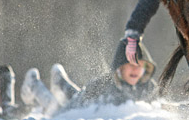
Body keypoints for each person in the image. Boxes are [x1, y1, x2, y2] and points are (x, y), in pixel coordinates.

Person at [20, 44, 157, 115]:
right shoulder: (105, 85)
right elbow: (73, 109)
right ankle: (33, 83)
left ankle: (59, 79)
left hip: (80, 98)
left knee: (72, 94)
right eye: (131, 65)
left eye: (139, 65)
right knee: (55, 110)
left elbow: (158, 104)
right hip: (78, 106)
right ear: (120, 68)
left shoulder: (149, 86)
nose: (135, 70)